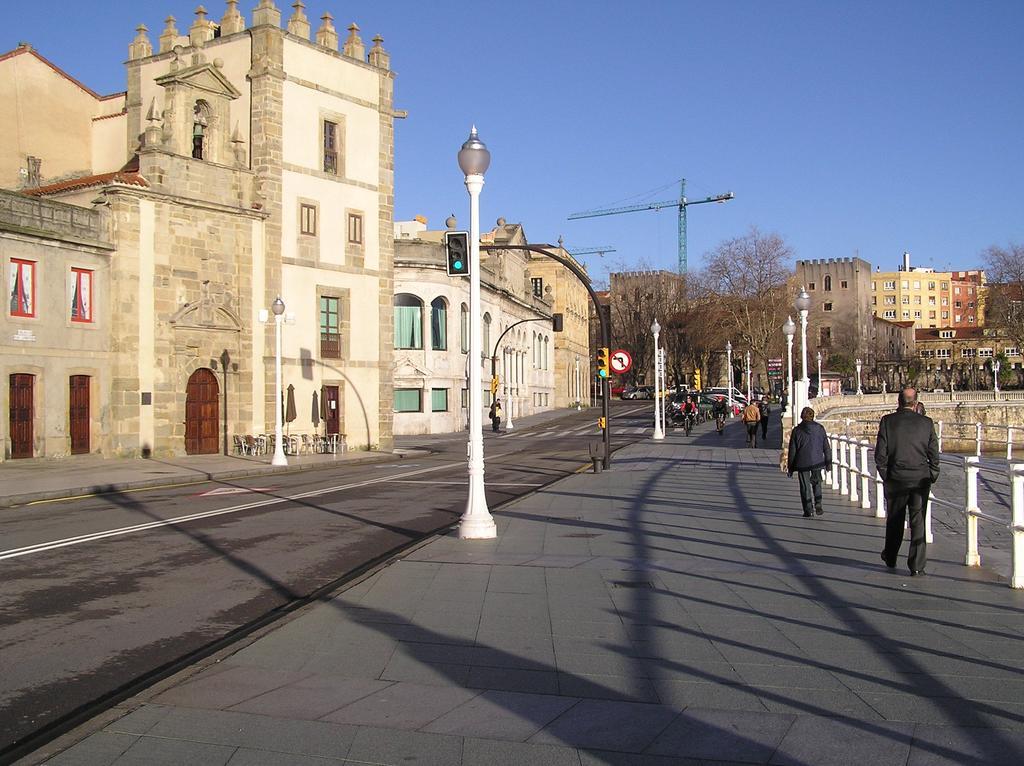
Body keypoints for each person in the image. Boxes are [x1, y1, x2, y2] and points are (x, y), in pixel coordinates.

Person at [875, 386, 940, 576]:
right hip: (920, 478)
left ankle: (891, 556)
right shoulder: (926, 423)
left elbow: (880, 455)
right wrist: (933, 473)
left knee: (895, 519)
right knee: (918, 520)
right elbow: (933, 454)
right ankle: (917, 565)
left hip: (896, 478)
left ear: (899, 401)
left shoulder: (887, 422)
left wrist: (887, 475)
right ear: (916, 403)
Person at [787, 406, 832, 517]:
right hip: (817, 461)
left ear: (802, 416)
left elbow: (792, 450)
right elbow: (826, 447)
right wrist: (828, 463)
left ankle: (808, 510)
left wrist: (790, 467)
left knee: (805, 486)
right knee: (817, 483)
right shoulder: (820, 428)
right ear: (813, 416)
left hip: (802, 463)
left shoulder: (797, 430)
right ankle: (818, 503)